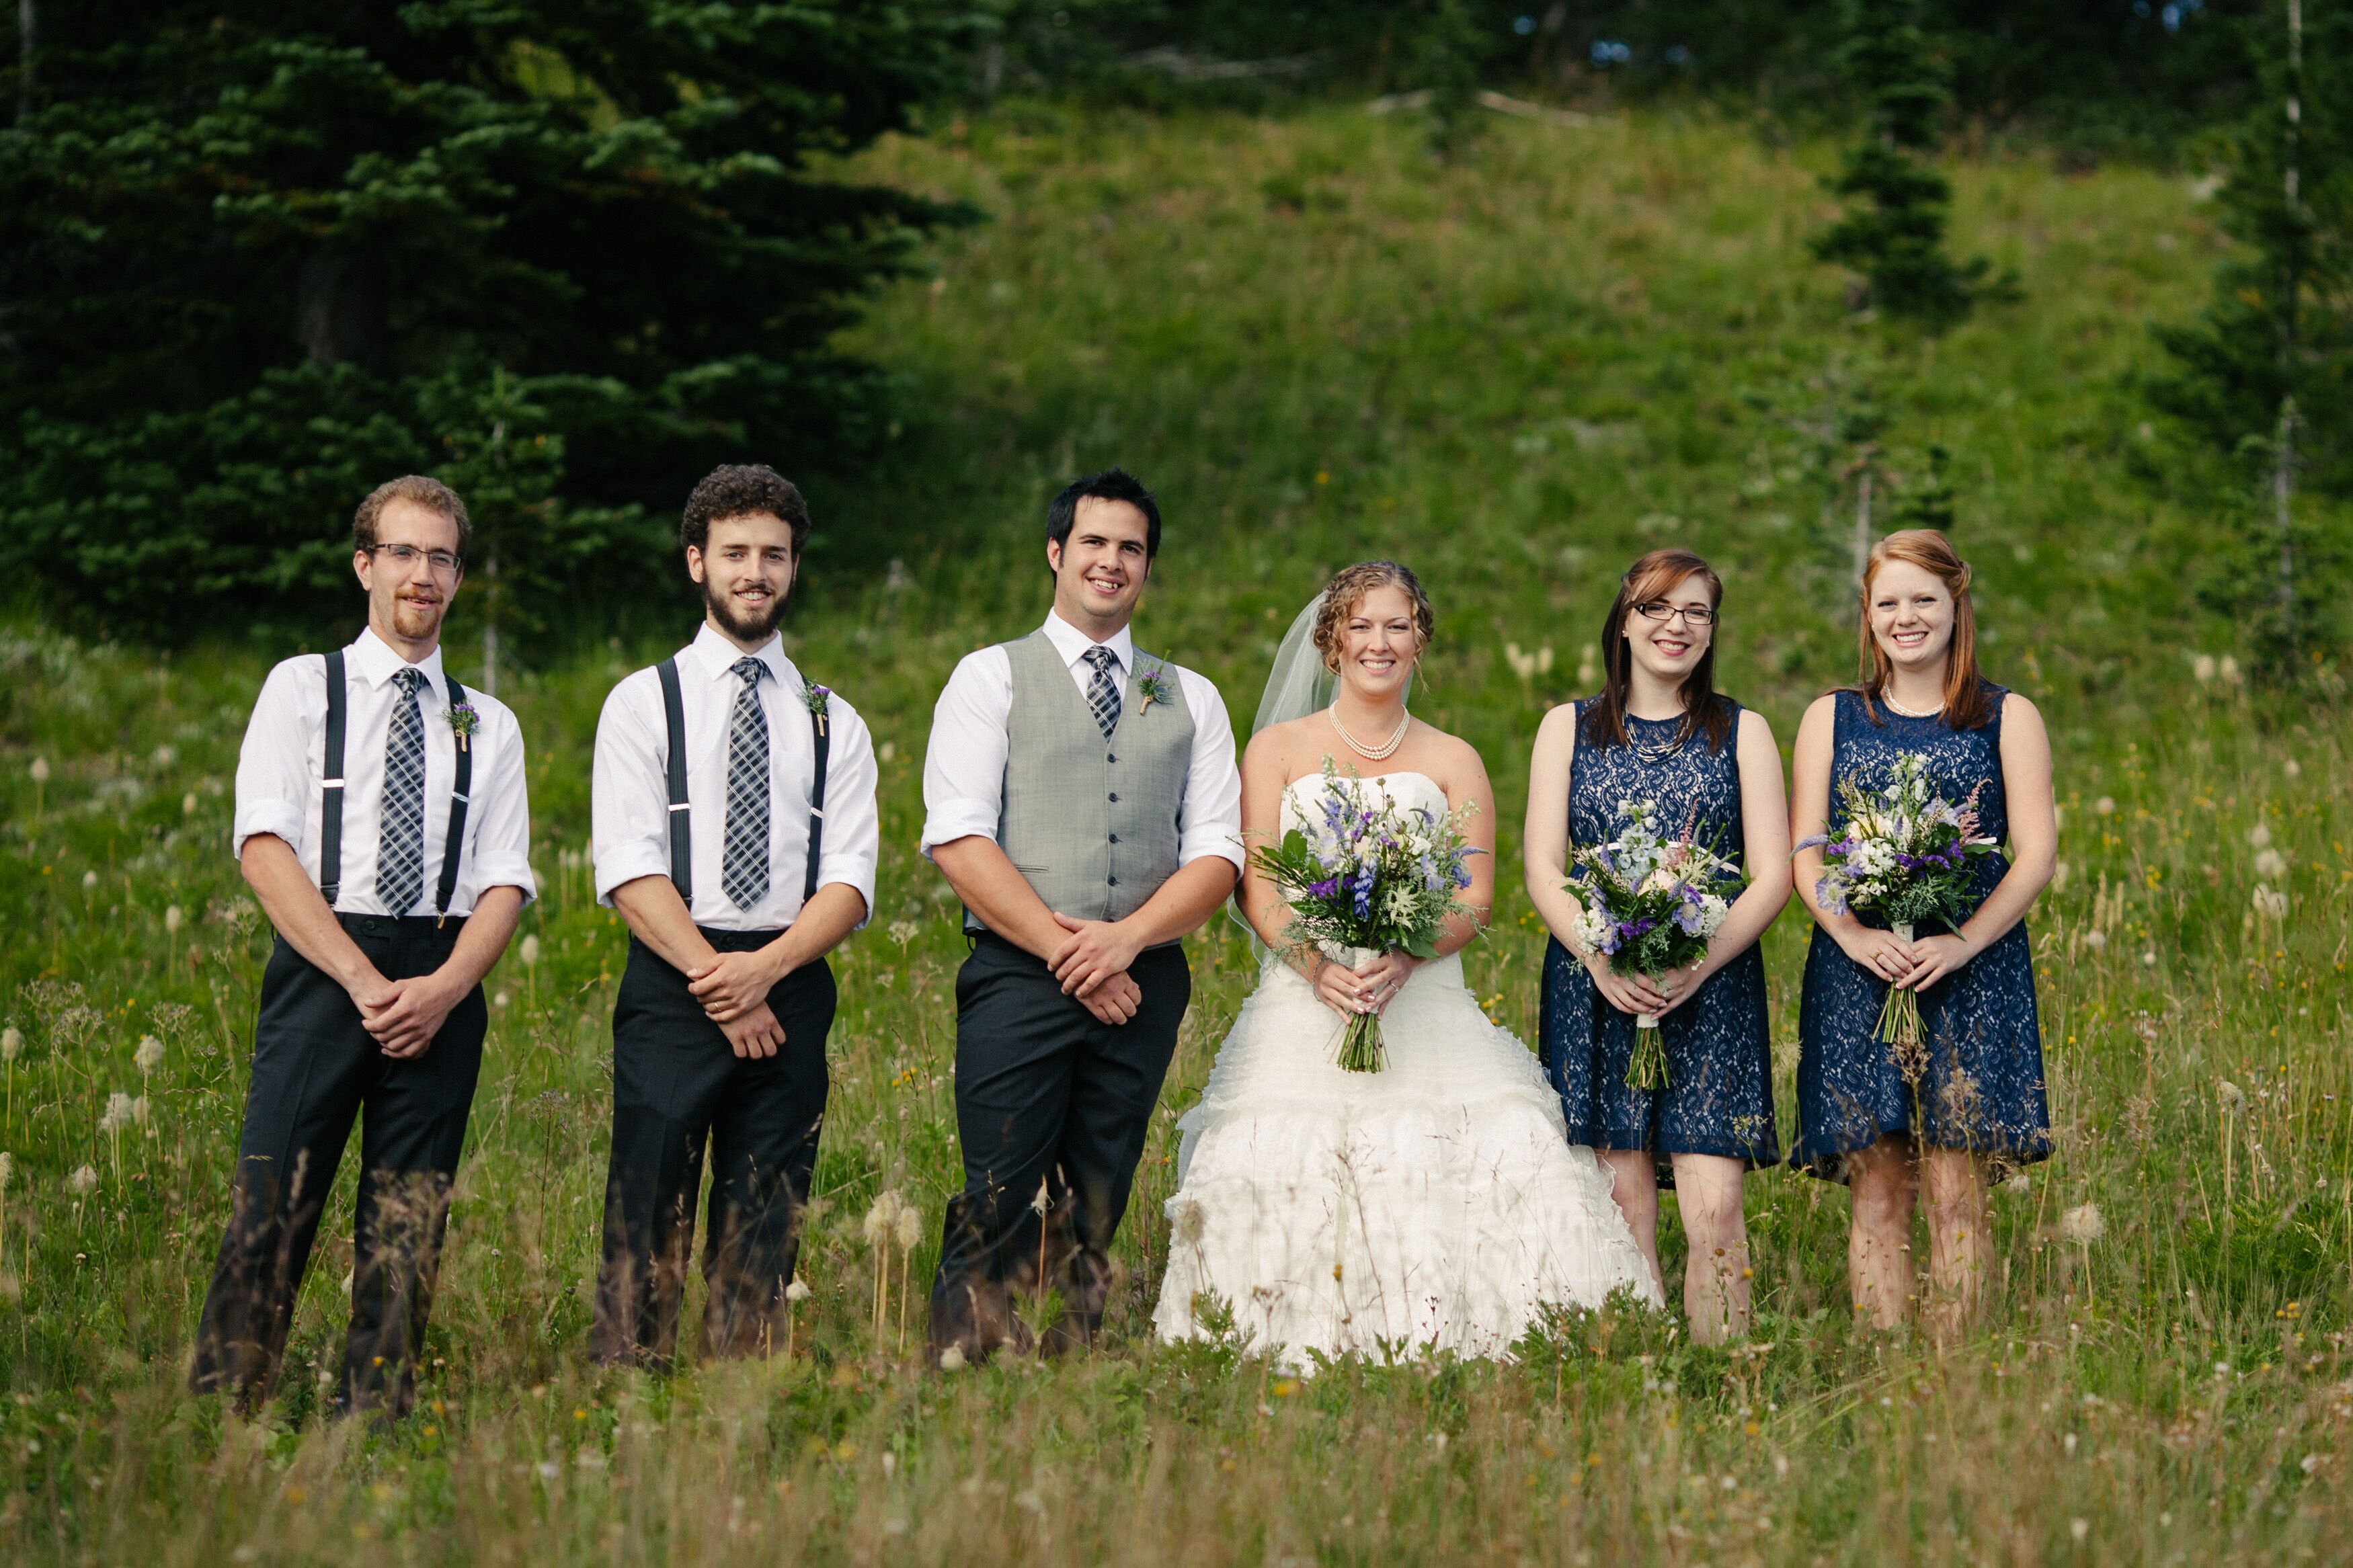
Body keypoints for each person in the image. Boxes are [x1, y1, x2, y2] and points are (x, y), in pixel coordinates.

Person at [1152, 561, 1656, 1366]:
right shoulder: (1277, 750)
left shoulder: (1453, 756)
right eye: (1359, 626)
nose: (1377, 643)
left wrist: (1402, 952)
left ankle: (1460, 1334)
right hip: (1305, 1001)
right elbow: (1258, 884)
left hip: (1421, 1000)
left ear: (1418, 641)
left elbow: (1474, 895)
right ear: (1329, 642)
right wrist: (1318, 967)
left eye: (1396, 626)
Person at [192, 476, 534, 1417]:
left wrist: (445, 987)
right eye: (403, 553)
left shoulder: (489, 724)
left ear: (456, 578)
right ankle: (224, 1416)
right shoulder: (302, 688)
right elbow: (264, 848)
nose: (422, 575)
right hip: (323, 962)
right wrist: (359, 977)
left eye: (441, 558)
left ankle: (374, 1422)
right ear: (364, 565)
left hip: (441, 974)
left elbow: (505, 880)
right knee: (275, 1200)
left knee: (407, 1220)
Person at [922, 468, 1242, 1360]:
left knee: (1100, 1187)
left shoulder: (1192, 696)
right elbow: (958, 838)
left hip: (1142, 981)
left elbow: (1219, 851)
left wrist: (1127, 942)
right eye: (1094, 543)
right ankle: (965, 1366)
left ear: (1148, 569)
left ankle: (1075, 1370)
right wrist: (1072, 955)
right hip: (1018, 975)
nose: (1112, 561)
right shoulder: (991, 678)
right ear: (1057, 552)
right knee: (1000, 1182)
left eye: (1131, 548)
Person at [588, 464, 879, 1367]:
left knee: (768, 1209)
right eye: (736, 553)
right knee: (649, 1201)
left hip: (788, 983)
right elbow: (631, 868)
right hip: (676, 980)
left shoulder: (835, 721)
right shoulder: (643, 702)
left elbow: (849, 883)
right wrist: (721, 981)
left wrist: (765, 974)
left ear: (794, 568)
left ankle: (739, 1394)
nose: (755, 572)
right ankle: (626, 1390)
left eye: (774, 556)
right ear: (695, 562)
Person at [1790, 529, 2055, 1339]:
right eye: (1887, 602)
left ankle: (1953, 1373)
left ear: (1954, 605)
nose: (1905, 617)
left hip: (1970, 967)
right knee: (1876, 1185)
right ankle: (1883, 1365)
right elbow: (1806, 849)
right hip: (1858, 970)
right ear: (1867, 616)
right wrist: (1849, 934)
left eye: (1922, 600)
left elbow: (2035, 853)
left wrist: (1961, 942)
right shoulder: (1830, 716)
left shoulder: (2003, 715)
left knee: (1953, 1188)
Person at [1525, 549, 1791, 1343]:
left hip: (1709, 986)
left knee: (1715, 1205)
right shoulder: (1566, 727)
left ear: (1712, 631)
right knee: (1623, 1201)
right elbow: (1542, 867)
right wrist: (1601, 960)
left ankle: (1724, 1372)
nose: (1676, 625)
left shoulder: (1741, 731)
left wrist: (1696, 962)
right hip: (1595, 985)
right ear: (1624, 619)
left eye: (1696, 612)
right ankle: (1642, 1376)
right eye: (1656, 608)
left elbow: (1771, 873)